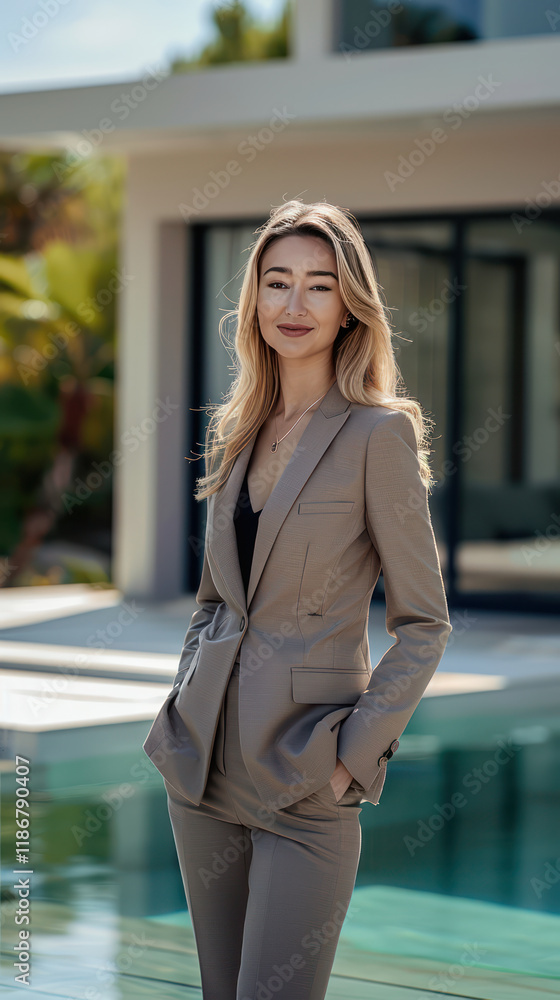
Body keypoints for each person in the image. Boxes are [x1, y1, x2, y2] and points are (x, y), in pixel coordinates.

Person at [143, 199, 452, 1000]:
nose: (294, 305)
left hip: (305, 778)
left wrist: (355, 756)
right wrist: (182, 703)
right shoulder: (238, 431)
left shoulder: (376, 436)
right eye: (277, 283)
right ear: (253, 300)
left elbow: (425, 622)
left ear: (350, 303)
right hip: (202, 768)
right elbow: (217, 599)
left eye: (318, 285)